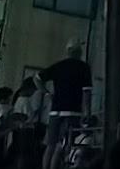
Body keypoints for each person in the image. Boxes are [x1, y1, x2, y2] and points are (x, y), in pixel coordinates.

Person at [38, 40, 93, 169]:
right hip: (73, 112)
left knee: (51, 145)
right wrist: (87, 112)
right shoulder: (84, 68)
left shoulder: (58, 66)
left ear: (67, 51)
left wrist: (47, 93)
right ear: (80, 52)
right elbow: (86, 92)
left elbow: (37, 78)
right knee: (64, 145)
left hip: (55, 112)